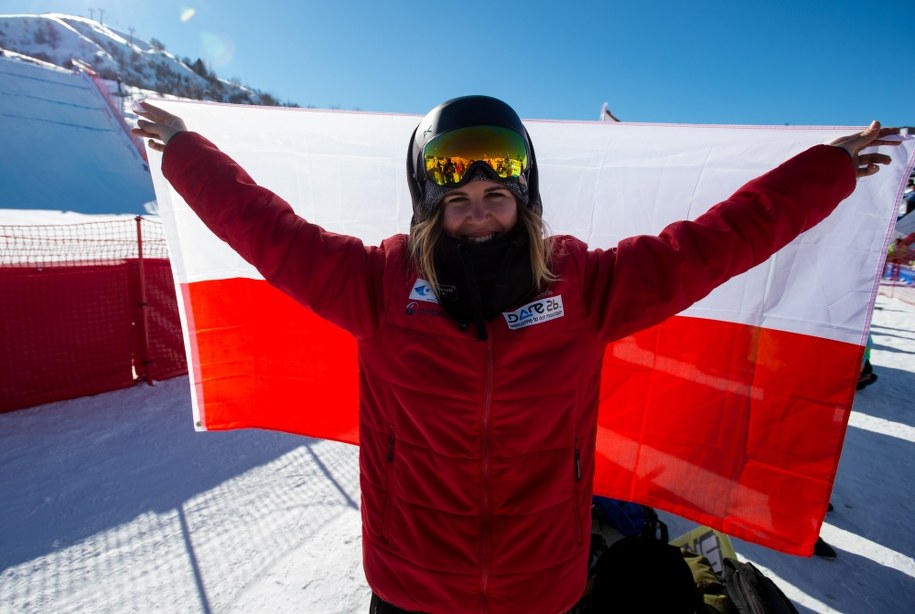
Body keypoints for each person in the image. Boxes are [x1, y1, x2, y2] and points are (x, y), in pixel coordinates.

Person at [133, 96, 899, 614]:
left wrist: (823, 170)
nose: (476, 218)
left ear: (524, 201)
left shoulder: (587, 286)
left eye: (495, 199)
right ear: (429, 210)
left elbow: (713, 242)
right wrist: (187, 156)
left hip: (542, 584)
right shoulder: (375, 285)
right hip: (409, 585)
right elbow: (269, 230)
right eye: (456, 203)